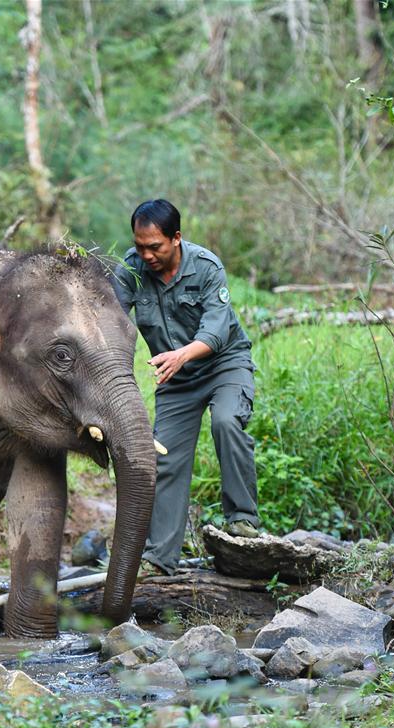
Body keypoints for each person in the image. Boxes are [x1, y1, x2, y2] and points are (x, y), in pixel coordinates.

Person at [113, 198, 259, 576]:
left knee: (226, 422)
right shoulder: (131, 269)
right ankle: (160, 558)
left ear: (176, 238)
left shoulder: (207, 267)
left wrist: (180, 355)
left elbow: (216, 328)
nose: (146, 254)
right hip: (176, 381)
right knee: (164, 458)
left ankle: (242, 523)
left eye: (155, 247)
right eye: (140, 246)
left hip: (224, 364)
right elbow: (109, 317)